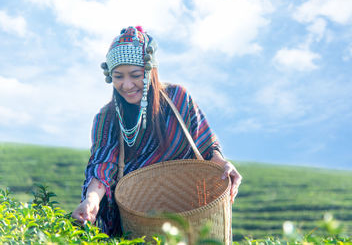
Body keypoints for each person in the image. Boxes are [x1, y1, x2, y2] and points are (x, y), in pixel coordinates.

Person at [72, 26, 242, 236]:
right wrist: (91, 201)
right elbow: (103, 165)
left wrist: (224, 165)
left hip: (190, 211)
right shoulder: (107, 118)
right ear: (110, 76)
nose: (126, 85)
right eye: (118, 76)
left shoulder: (178, 99)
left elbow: (205, 147)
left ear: (150, 70)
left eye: (135, 75)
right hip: (138, 220)